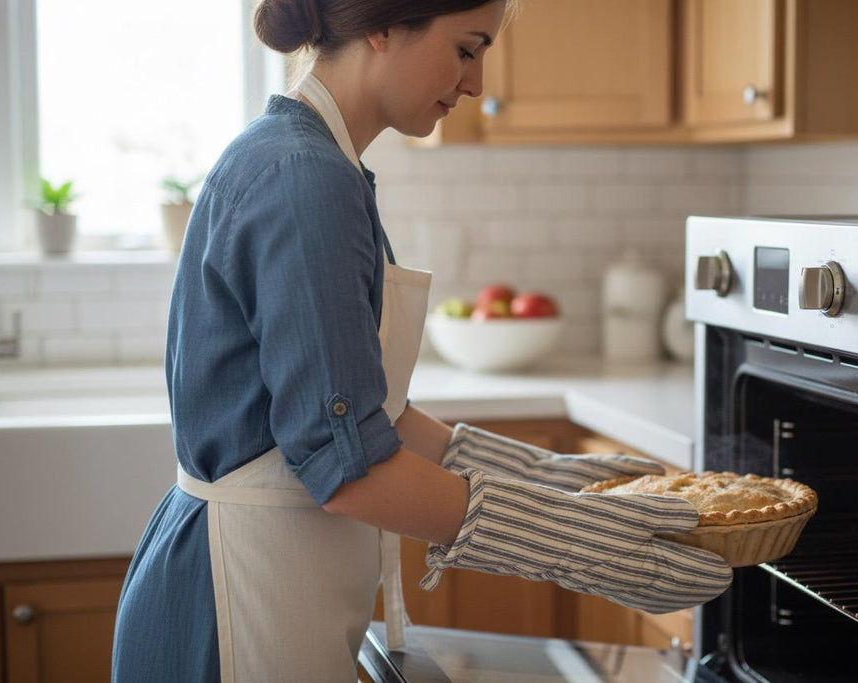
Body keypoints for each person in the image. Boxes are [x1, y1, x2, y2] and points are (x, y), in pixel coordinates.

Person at [111, 1, 732, 680]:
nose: (477, 84)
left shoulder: (312, 159)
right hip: (234, 604)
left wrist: (552, 480)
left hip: (260, 579)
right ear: (382, 26)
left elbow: (365, 418)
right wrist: (580, 542)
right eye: (467, 49)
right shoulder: (304, 179)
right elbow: (348, 467)